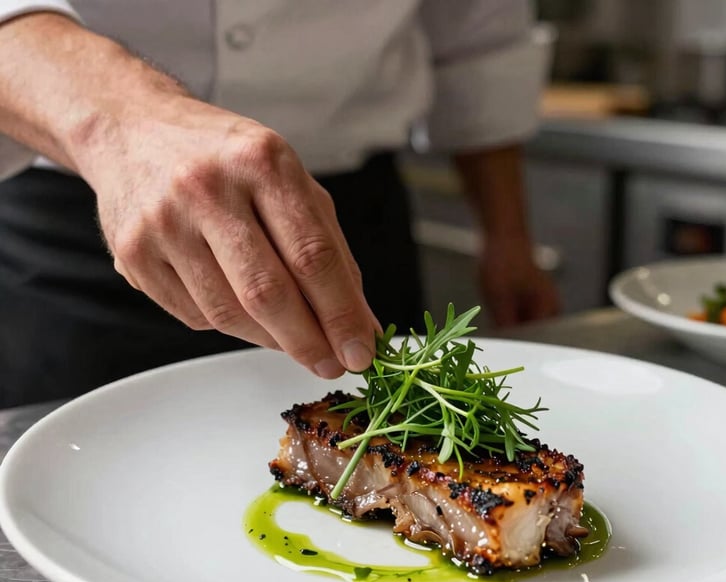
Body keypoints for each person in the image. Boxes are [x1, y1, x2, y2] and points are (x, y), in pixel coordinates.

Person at [0, 0, 559, 409]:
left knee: (397, 441)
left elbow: (477, 32)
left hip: (349, 230)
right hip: (76, 233)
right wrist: (115, 121)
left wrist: (508, 236)